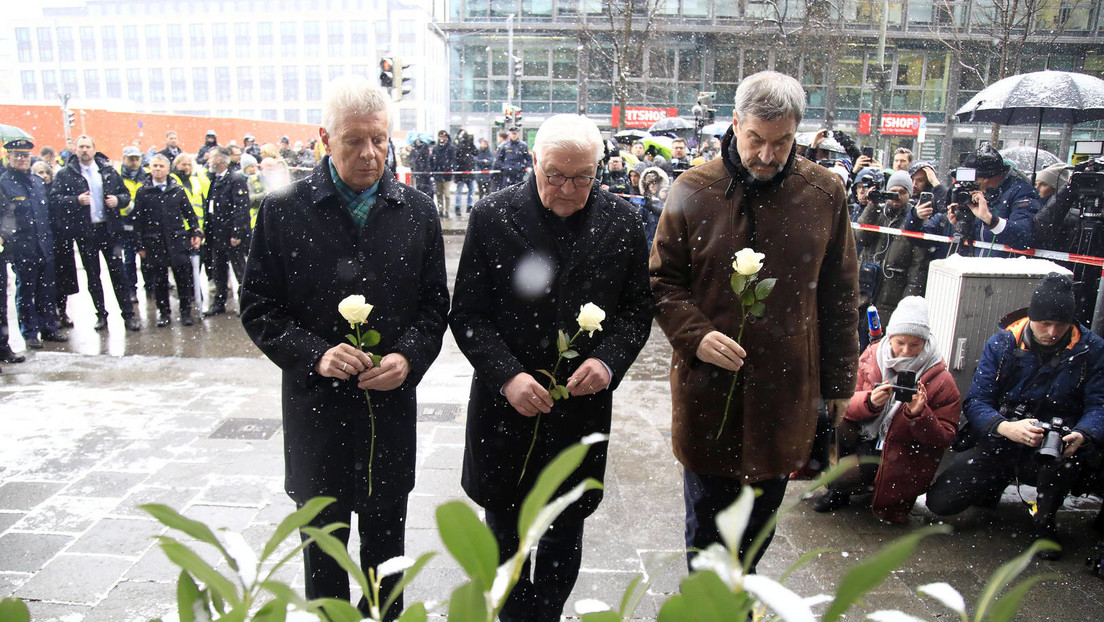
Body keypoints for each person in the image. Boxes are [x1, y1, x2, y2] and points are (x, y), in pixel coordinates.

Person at [240, 75, 449, 619]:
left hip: (389, 415)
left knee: (387, 565)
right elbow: (259, 307)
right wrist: (315, 354)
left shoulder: (417, 212)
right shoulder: (285, 212)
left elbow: (434, 308)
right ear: (323, 139)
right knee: (324, 561)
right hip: (317, 414)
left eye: (379, 139)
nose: (370, 153)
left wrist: (409, 356)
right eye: (354, 140)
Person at [650, 71, 858, 571]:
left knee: (758, 527)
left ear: (798, 135)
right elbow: (662, 282)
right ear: (736, 124)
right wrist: (695, 336)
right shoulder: (693, 190)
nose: (767, 155)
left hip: (786, 391)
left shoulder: (824, 193)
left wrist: (838, 383)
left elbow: (839, 295)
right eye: (756, 140)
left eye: (782, 142)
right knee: (706, 528)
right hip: (710, 390)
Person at [450, 113, 652, 621]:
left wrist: (607, 362)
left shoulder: (622, 221)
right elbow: (468, 313)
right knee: (503, 532)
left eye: (582, 177)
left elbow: (636, 311)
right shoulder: (494, 216)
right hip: (506, 412)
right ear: (533, 162)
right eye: (554, 175)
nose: (567, 188)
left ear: (599, 170)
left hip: (577, 413)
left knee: (565, 529)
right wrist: (507, 376)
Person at [926, 274, 1104, 560]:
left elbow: (1100, 405)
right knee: (940, 503)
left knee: (1065, 465)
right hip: (1003, 440)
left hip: (1059, 446)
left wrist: (1083, 433)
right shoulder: (1003, 344)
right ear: (1032, 317)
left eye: (1061, 324)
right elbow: (976, 401)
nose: (1053, 332)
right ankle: (994, 483)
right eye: (1045, 323)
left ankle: (1045, 518)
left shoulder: (1092, 349)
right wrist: (1004, 427)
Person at [811, 296, 960, 523]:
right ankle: (841, 488)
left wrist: (918, 415)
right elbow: (845, 398)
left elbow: (944, 437)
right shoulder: (873, 355)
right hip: (866, 435)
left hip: (898, 453)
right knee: (831, 417)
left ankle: (848, 484)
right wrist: (870, 402)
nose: (905, 351)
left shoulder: (941, 378)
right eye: (900, 342)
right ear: (890, 336)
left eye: (915, 345)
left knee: (836, 477)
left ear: (926, 342)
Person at [51, 135, 139, 332]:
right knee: (93, 276)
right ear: (76, 150)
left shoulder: (107, 171)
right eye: (81, 147)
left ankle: (128, 315)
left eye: (87, 147)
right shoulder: (66, 174)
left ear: (94, 149)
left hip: (109, 230)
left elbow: (125, 195)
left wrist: (118, 200)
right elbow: (55, 200)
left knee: (119, 274)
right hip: (85, 232)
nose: (84, 150)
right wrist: (75, 200)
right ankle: (101, 315)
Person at [1, 139, 66, 353]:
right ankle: (30, 332)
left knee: (47, 290)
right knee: (26, 292)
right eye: (17, 155)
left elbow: (45, 216)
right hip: (22, 247)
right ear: (8, 157)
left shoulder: (37, 183)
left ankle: (49, 327)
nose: (22, 159)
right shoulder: (4, 183)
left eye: (25, 155)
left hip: (43, 245)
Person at [854, 170, 931, 350]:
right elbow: (860, 238)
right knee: (858, 349)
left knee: (881, 351)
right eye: (893, 191)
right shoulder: (877, 213)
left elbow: (917, 269)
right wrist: (872, 206)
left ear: (910, 194)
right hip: (865, 294)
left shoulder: (914, 220)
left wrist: (906, 306)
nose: (897, 196)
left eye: (903, 192)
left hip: (890, 298)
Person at [133, 154, 201, 327]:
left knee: (183, 280)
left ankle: (186, 312)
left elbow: (190, 215)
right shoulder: (143, 192)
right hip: (154, 243)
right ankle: (164, 313)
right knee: (160, 281)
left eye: (161, 166)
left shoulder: (177, 190)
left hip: (177, 241)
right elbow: (138, 221)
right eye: (154, 166)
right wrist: (139, 244)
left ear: (168, 169)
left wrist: (196, 232)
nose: (157, 169)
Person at [942, 144, 1041, 256]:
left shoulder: (1022, 192)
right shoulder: (980, 190)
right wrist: (960, 223)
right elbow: (978, 238)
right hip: (977, 264)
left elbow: (1023, 238)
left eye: (972, 179)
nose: (968, 184)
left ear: (986, 177)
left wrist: (990, 219)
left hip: (1004, 269)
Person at [201, 147, 250, 316]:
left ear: (220, 160)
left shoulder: (235, 179)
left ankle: (246, 305)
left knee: (240, 271)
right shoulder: (215, 179)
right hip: (217, 234)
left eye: (212, 158)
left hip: (231, 235)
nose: (209, 161)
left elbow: (241, 208)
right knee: (218, 270)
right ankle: (219, 303)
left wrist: (237, 233)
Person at [117, 145, 149, 302]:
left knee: (147, 258)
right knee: (129, 260)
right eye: (131, 159)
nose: (134, 162)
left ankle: (150, 286)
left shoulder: (147, 176)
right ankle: (131, 289)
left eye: (137, 159)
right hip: (125, 225)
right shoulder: (117, 177)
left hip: (144, 225)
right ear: (124, 160)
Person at [430, 130, 455, 218]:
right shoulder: (436, 148)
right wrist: (434, 170)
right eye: (440, 136)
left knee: (447, 194)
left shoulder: (450, 148)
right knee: (439, 193)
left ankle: (447, 210)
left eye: (443, 136)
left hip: (447, 175)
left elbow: (453, 160)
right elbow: (433, 160)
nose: (442, 138)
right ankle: (440, 210)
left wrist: (450, 169)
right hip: (438, 174)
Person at [454, 130, 477, 214]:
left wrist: (471, 142)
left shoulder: (470, 145)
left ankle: (469, 205)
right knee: (459, 190)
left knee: (471, 189)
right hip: (461, 171)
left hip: (469, 171)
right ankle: (458, 206)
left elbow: (475, 152)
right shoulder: (458, 144)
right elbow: (457, 153)